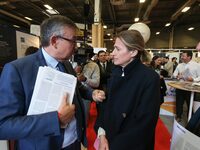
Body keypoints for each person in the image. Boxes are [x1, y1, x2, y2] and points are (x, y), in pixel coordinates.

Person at [0, 15, 105, 150]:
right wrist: (56, 120)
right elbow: (3, 125)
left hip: (73, 143)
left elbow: (76, 87)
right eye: (73, 40)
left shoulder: (66, 64)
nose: (76, 46)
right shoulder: (17, 70)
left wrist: (92, 93)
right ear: (54, 41)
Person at [96, 30, 160, 150]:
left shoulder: (149, 78)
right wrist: (102, 134)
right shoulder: (115, 72)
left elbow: (144, 124)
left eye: (118, 49)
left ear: (133, 52)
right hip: (108, 138)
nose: (113, 53)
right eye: (114, 48)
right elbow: (106, 108)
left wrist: (113, 145)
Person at [173, 50, 200, 122]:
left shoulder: (196, 65)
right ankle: (178, 116)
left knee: (190, 104)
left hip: (191, 88)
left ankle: (190, 118)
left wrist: (193, 79)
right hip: (180, 87)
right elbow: (174, 74)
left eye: (183, 56)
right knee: (179, 103)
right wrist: (178, 76)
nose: (181, 57)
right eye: (181, 56)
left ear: (189, 57)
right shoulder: (179, 65)